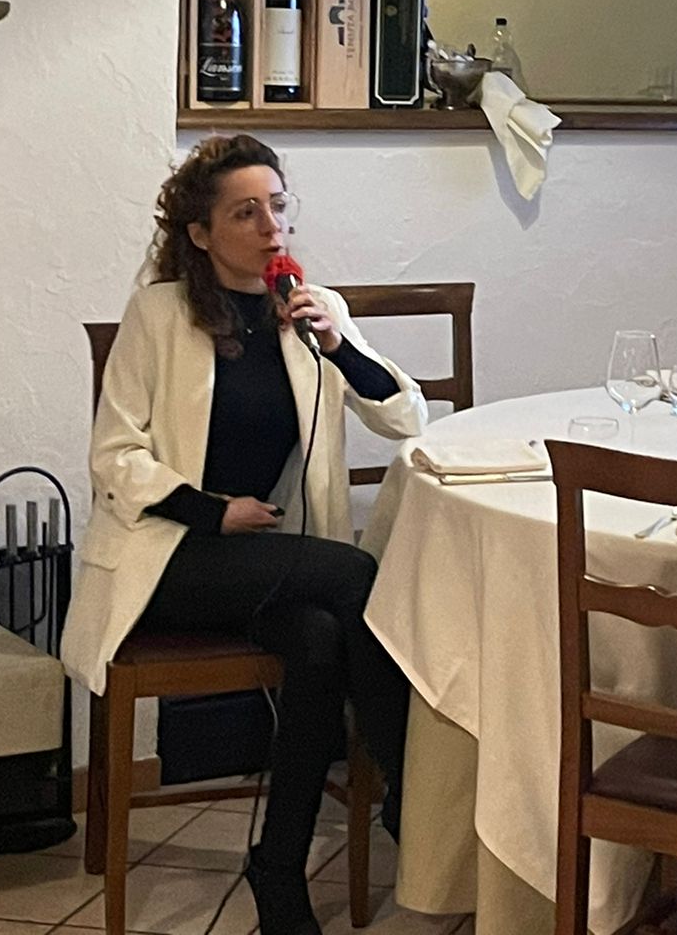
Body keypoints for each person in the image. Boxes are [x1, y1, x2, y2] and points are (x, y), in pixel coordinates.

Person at [60, 135, 425, 935]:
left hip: (264, 560)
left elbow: (405, 417)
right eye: (246, 212)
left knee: (321, 639)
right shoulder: (160, 314)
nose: (271, 228)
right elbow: (114, 456)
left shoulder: (311, 309)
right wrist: (210, 510)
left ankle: (278, 867)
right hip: (169, 555)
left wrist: (338, 346)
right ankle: (409, 794)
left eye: (279, 207)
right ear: (200, 233)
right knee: (355, 576)